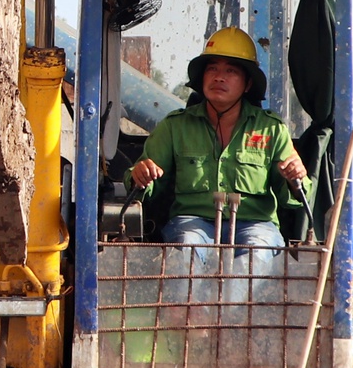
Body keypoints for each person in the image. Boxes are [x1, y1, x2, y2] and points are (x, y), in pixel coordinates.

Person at [128, 26, 308, 247]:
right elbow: (143, 186)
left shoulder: (271, 129)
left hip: (256, 224)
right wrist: (140, 175)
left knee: (257, 252)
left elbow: (295, 197)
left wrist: (294, 178)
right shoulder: (174, 127)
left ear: (248, 84)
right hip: (191, 223)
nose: (219, 77)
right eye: (212, 69)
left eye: (231, 71)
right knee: (188, 247)